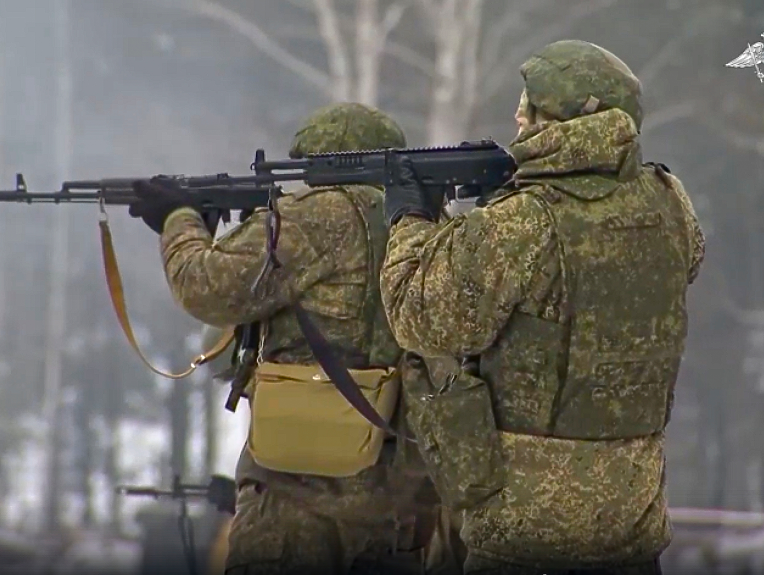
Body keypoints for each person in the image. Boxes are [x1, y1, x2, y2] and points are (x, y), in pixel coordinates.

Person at [379, 40, 705, 574]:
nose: (517, 114)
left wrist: (411, 221)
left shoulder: (523, 221)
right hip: (632, 518)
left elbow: (421, 318)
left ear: (563, 123)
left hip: (526, 532)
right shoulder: (672, 203)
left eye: (529, 106)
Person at [127, 102, 438, 575]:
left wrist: (179, 220)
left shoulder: (312, 216)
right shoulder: (423, 223)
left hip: (295, 495)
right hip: (398, 499)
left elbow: (206, 285)